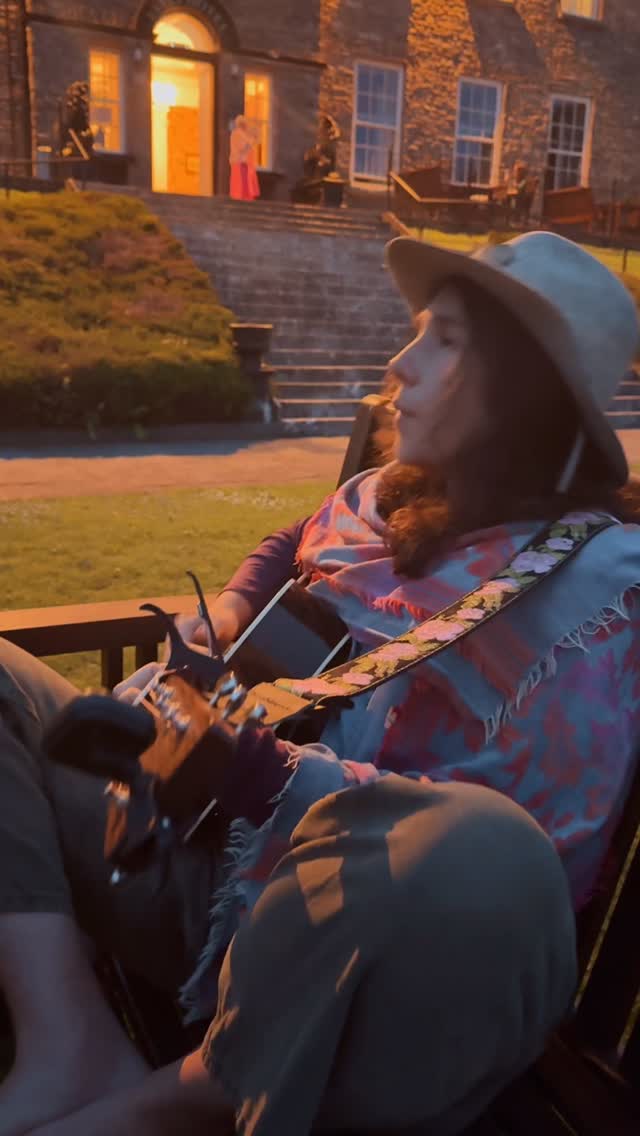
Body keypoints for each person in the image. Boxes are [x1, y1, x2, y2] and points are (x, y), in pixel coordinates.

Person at [2, 230, 640, 1136]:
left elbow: (521, 874)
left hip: (380, 990)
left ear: (528, 388)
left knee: (478, 844)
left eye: (446, 339)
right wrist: (227, 615)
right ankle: (66, 1036)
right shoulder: (391, 494)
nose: (401, 362)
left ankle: (188, 1101)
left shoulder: (604, 591)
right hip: (208, 886)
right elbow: (291, 541)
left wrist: (258, 777)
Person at [229, 115, 260, 202]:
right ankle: (243, 197)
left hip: (244, 162)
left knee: (245, 182)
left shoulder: (241, 134)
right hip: (241, 162)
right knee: (242, 183)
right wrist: (251, 141)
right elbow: (243, 147)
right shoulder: (238, 134)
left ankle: (245, 196)